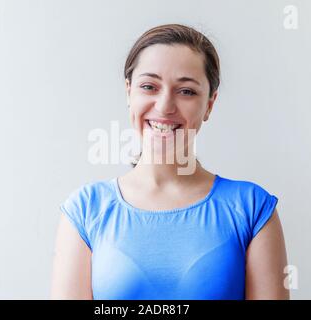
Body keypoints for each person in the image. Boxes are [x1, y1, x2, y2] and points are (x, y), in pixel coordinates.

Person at [51, 23, 289, 300]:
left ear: (209, 104)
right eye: (149, 86)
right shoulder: (85, 210)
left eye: (186, 91)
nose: (165, 106)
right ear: (130, 92)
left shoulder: (252, 209)